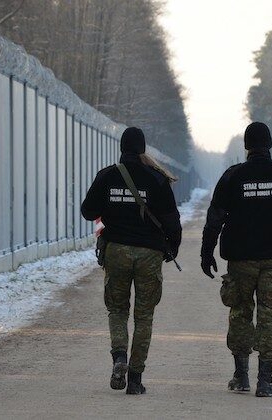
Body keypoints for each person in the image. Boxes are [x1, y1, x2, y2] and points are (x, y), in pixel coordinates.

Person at [200, 122, 272, 397]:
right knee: (271, 315)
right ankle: (265, 380)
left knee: (240, 312)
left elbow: (215, 217)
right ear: (270, 144)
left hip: (241, 259)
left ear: (247, 147)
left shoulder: (233, 176)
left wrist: (207, 252)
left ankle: (241, 376)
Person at [81, 127, 182, 395]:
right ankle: (135, 380)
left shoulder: (107, 176)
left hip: (116, 251)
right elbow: (172, 220)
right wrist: (172, 249)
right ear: (142, 149)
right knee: (144, 316)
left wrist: (111, 207)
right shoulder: (156, 179)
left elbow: (87, 211)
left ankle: (119, 359)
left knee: (117, 310)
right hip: (149, 254)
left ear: (122, 147)